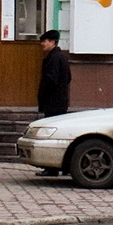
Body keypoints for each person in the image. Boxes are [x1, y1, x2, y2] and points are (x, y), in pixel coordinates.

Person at [36, 29, 71, 176]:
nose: (43, 44)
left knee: (51, 134)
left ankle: (52, 167)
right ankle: (61, 167)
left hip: (53, 102)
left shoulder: (54, 58)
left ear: (52, 42)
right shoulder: (60, 57)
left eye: (45, 41)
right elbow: (69, 77)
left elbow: (51, 79)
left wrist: (44, 94)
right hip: (59, 101)